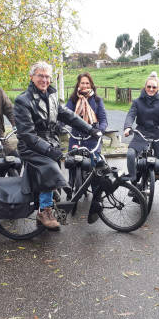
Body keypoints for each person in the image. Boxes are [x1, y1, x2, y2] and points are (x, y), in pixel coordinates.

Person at [14, 61, 102, 231]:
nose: (45, 80)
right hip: (31, 147)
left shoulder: (52, 96)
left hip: (50, 143)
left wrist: (91, 130)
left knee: (56, 171)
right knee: (50, 167)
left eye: (48, 76)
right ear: (32, 77)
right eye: (41, 76)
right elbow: (27, 135)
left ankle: (50, 203)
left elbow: (68, 115)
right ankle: (45, 211)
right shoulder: (23, 100)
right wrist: (49, 150)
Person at [123, 71, 159, 207]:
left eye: (154, 87)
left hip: (157, 133)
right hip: (141, 132)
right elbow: (131, 115)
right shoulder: (137, 102)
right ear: (145, 87)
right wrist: (128, 127)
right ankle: (134, 182)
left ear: (157, 89)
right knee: (131, 154)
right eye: (149, 87)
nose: (151, 89)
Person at [64, 72, 107, 184]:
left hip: (92, 137)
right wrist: (60, 126)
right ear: (78, 84)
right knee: (71, 162)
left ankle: (96, 196)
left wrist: (100, 131)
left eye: (87, 83)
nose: (85, 85)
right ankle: (71, 185)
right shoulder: (73, 99)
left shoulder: (97, 100)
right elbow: (64, 114)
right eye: (82, 83)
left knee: (94, 166)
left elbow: (103, 120)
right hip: (76, 136)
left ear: (91, 85)